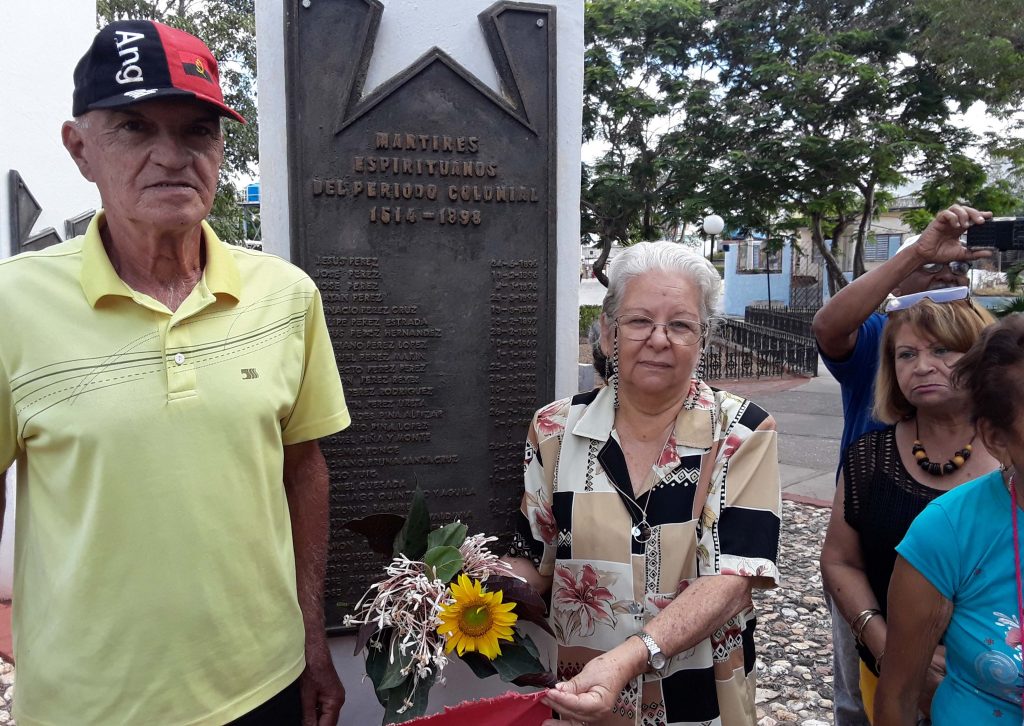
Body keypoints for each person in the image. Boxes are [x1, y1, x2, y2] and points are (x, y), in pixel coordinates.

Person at [0, 20, 349, 725]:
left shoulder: (288, 296)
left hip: (264, 688)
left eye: (197, 131)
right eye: (134, 128)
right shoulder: (11, 305)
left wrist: (313, 639)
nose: (172, 157)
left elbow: (303, 469)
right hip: (86, 705)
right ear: (80, 149)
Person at [506, 241, 782, 726]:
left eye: (680, 325)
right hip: (582, 696)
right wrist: (465, 592)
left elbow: (734, 580)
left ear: (704, 340)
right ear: (609, 335)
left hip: (697, 700)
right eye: (638, 322)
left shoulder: (742, 431)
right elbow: (536, 556)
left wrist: (634, 655)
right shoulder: (553, 429)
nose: (659, 339)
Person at [810, 204, 991, 725]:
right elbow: (829, 325)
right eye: (909, 356)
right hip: (870, 563)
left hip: (977, 645)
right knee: (859, 704)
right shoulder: (879, 337)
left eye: (954, 274)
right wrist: (920, 251)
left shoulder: (1005, 445)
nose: (923, 365)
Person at [874, 314, 1024, 724]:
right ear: (997, 438)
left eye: (941, 350)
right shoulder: (947, 528)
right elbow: (898, 695)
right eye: (908, 354)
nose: (923, 366)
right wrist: (869, 627)